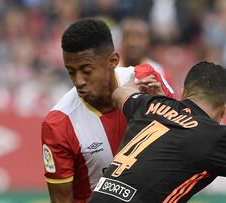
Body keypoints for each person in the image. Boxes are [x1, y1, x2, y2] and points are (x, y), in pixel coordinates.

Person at [89, 61, 226, 203]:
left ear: (184, 93)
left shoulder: (149, 106)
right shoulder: (218, 137)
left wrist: (151, 95)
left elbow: (120, 93)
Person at [41, 18, 174, 203]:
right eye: (71, 72)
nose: (78, 81)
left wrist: (164, 107)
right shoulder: (58, 124)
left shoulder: (147, 81)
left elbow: (184, 145)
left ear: (113, 60)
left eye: (86, 70)